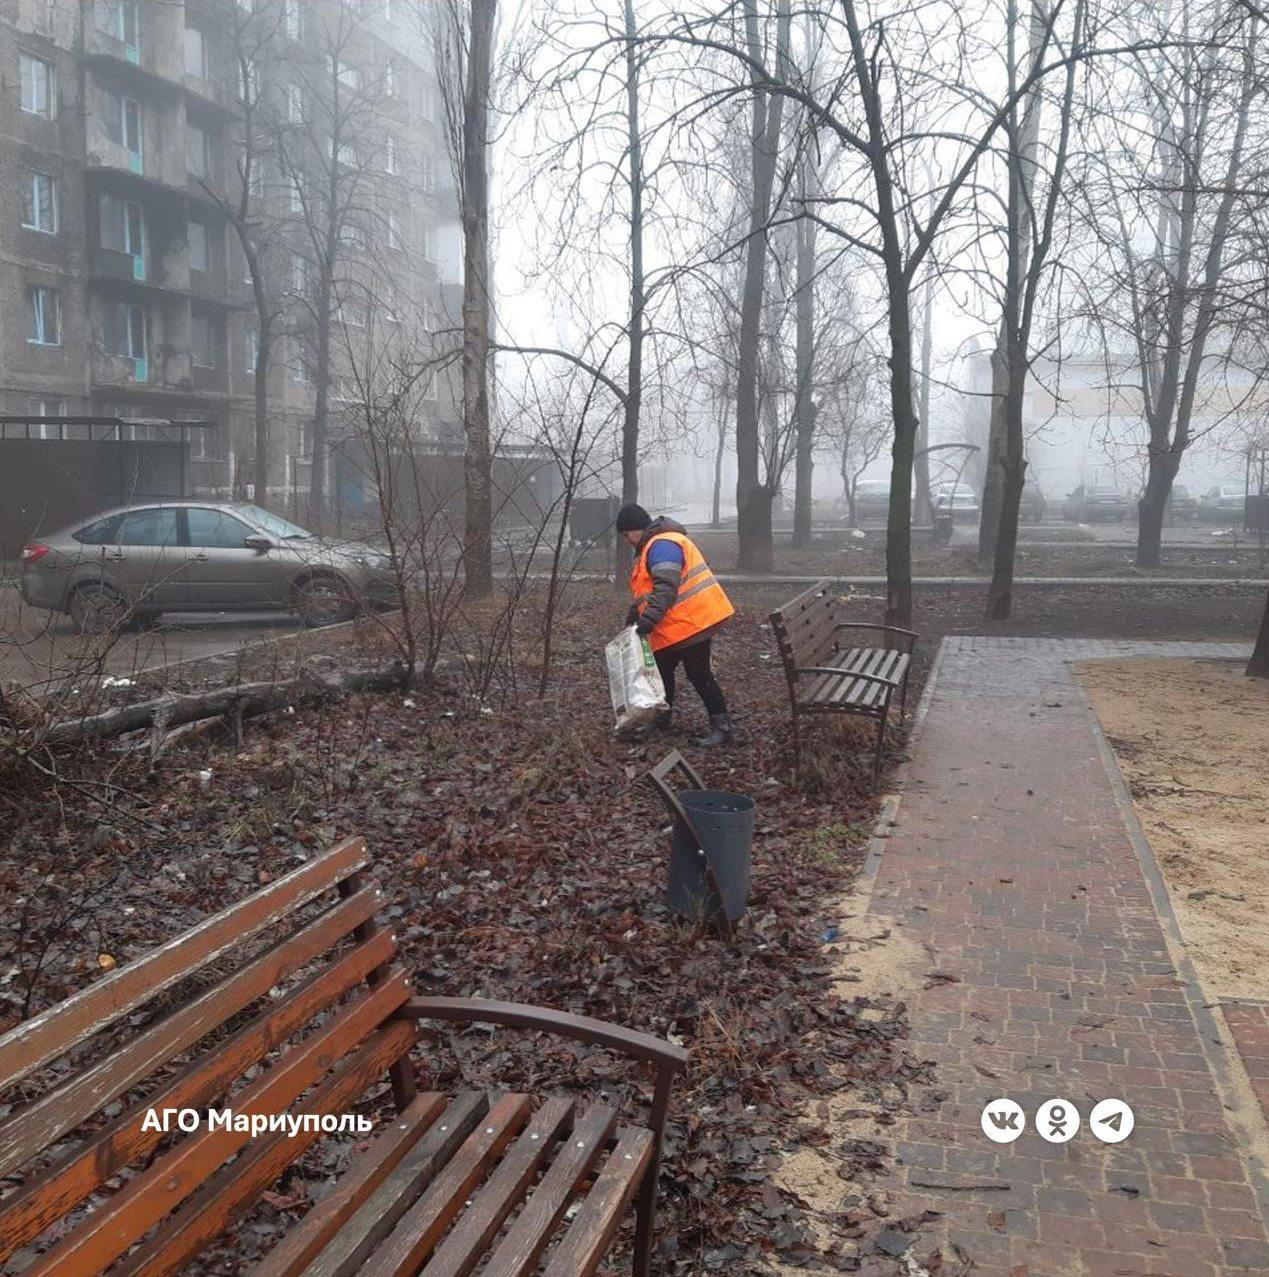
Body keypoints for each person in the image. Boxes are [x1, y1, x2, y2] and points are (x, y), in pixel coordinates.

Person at [617, 503, 735, 746]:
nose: (627, 540)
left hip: (691, 622)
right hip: (678, 624)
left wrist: (647, 620)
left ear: (638, 528)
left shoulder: (662, 545)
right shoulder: (654, 546)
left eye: (627, 535)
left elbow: (666, 587)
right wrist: (634, 614)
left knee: (698, 673)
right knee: (662, 670)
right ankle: (662, 721)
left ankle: (722, 728)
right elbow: (649, 592)